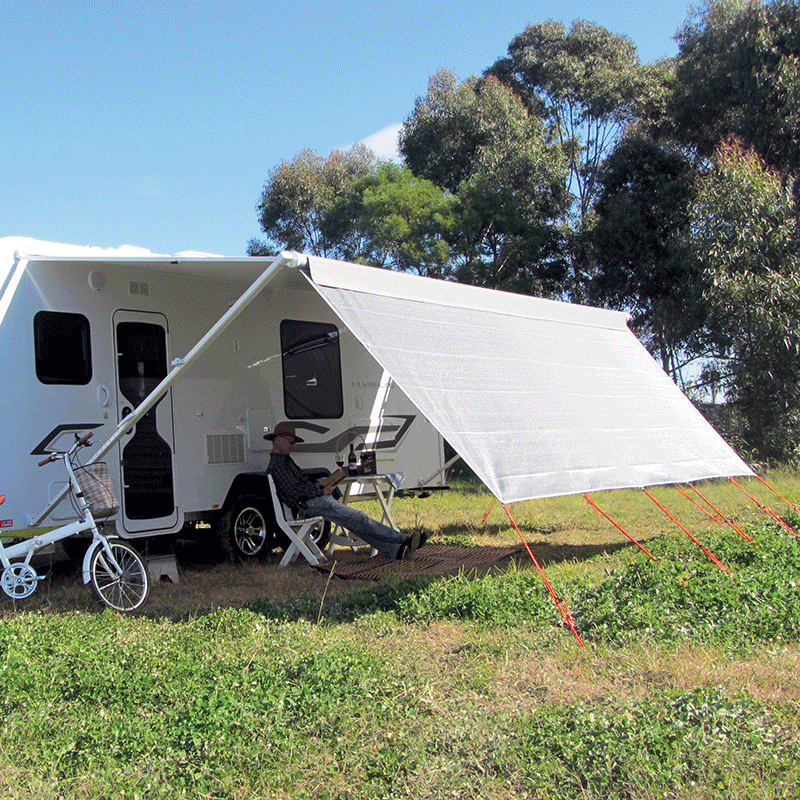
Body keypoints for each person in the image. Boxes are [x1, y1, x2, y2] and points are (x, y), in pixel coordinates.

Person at [265, 422, 425, 560]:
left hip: (311, 502)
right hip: (308, 505)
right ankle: (404, 540)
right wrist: (322, 491)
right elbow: (295, 492)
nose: (293, 446)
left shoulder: (284, 461)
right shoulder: (278, 465)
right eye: (291, 442)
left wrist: (319, 485)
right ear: (278, 440)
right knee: (359, 518)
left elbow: (299, 485)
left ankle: (395, 551)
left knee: (354, 522)